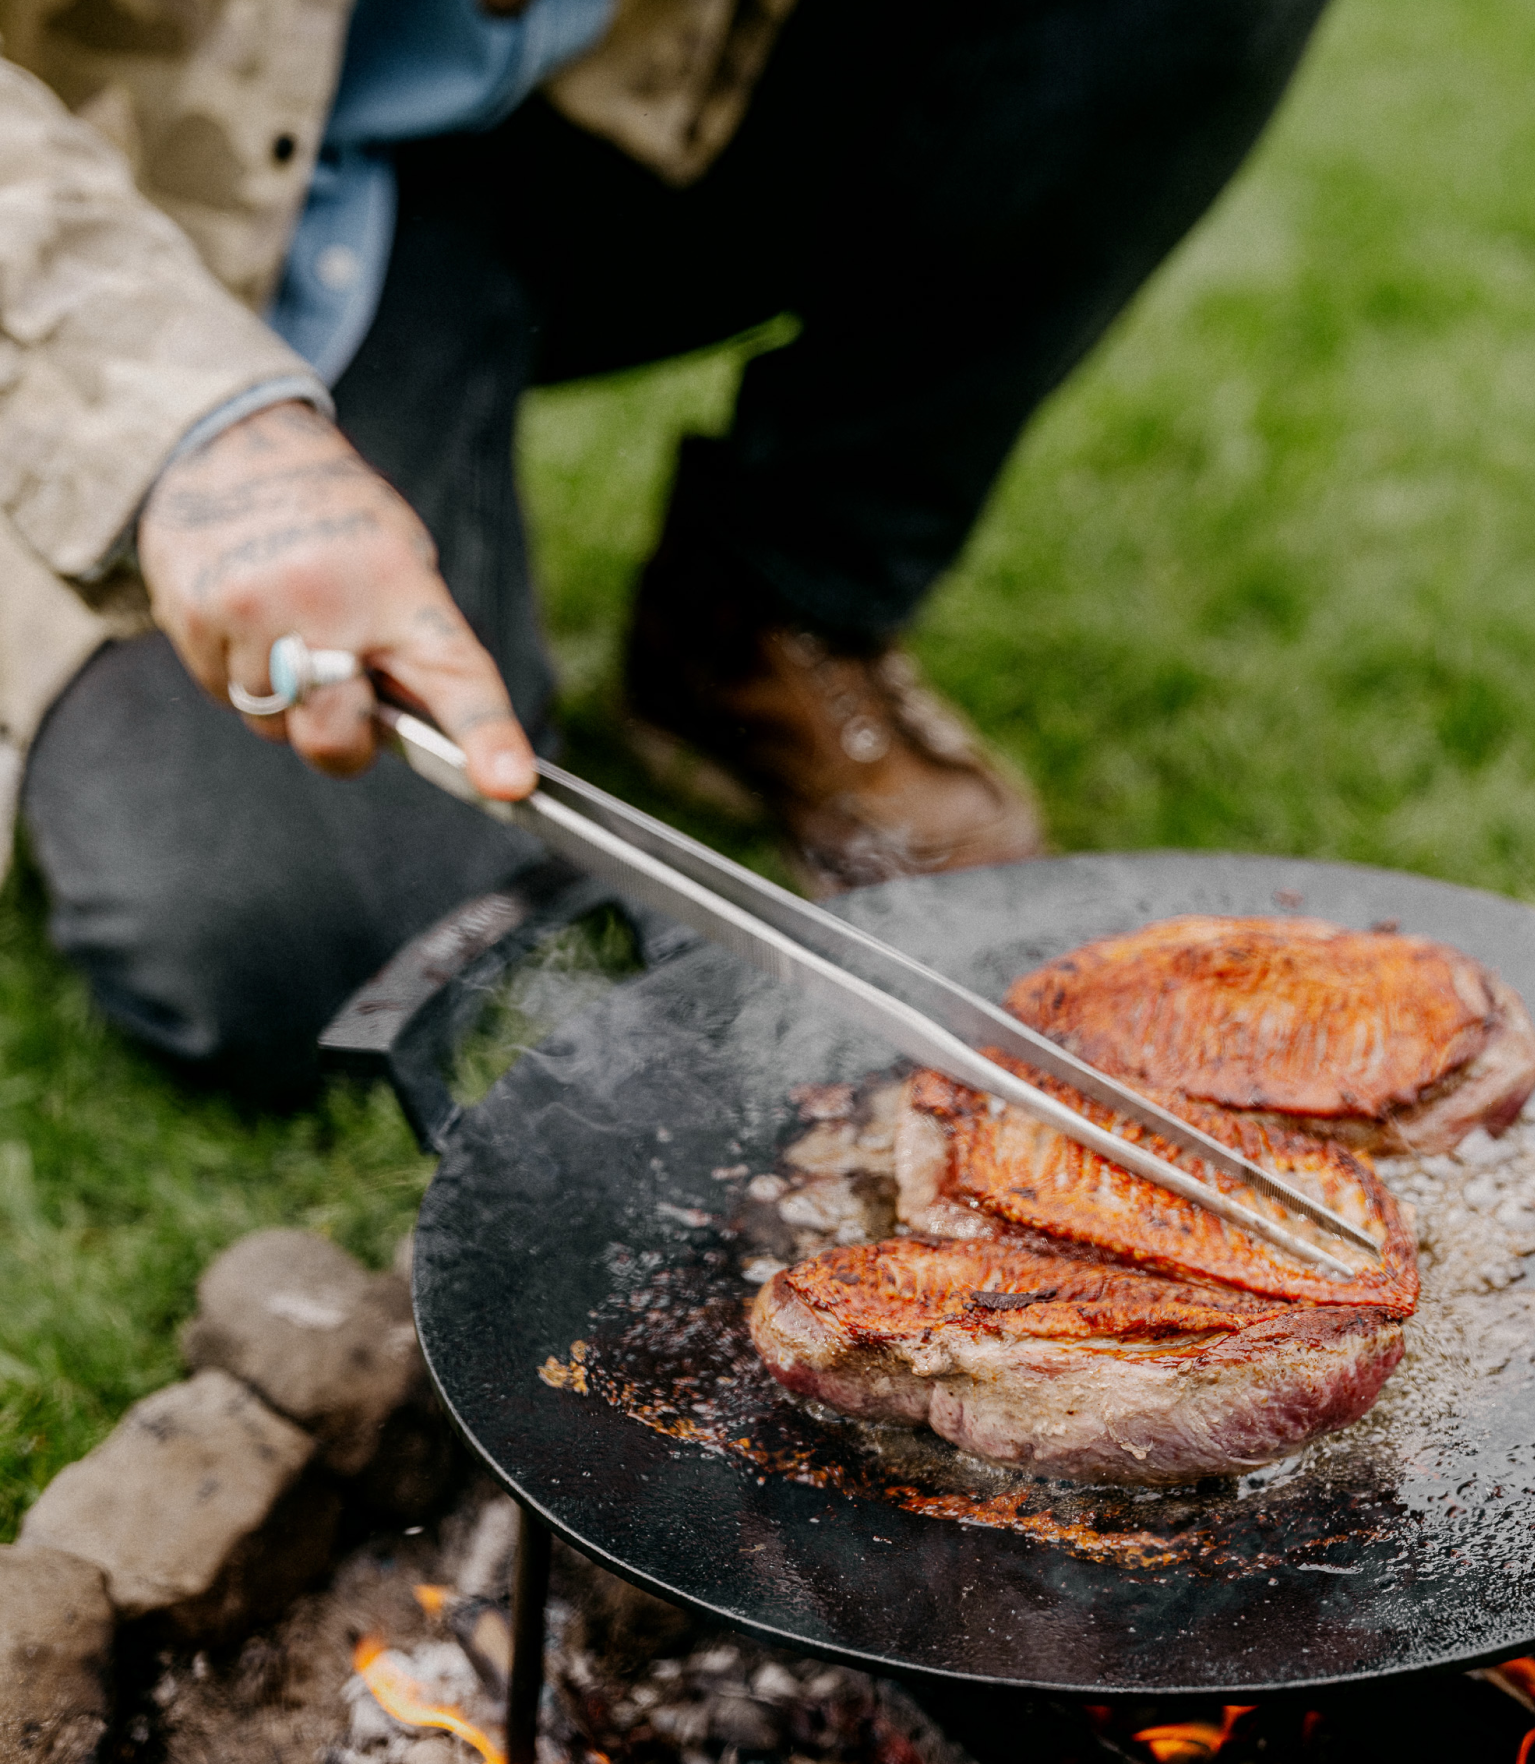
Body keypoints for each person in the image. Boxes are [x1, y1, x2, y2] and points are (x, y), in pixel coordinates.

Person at [0, 0, 1328, 1098]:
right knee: (308, 945)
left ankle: (767, 610)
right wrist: (191, 433)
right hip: (164, 206)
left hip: (612, 97)